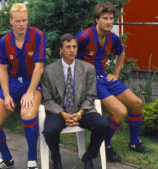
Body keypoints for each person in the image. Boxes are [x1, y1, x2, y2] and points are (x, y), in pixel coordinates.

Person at [75, 1, 152, 163]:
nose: (109, 22)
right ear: (97, 19)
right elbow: (68, 57)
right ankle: (106, 145)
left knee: (136, 103)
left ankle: (134, 142)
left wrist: (115, 74)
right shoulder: (83, 37)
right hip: (90, 82)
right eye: (105, 18)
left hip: (104, 77)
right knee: (120, 112)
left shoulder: (112, 38)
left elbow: (121, 54)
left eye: (111, 18)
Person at [0, 3, 46, 169]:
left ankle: (32, 159)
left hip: (32, 83)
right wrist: (7, 95)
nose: (21, 24)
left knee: (27, 113)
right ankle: (6, 158)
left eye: (24, 20)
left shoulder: (38, 36)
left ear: (28, 20)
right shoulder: (5, 41)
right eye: (18, 21)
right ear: (11, 20)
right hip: (12, 84)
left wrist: (30, 92)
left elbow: (39, 67)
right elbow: (3, 70)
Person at [41, 33, 109, 169]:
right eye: (68, 47)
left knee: (103, 125)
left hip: (83, 110)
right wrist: (63, 114)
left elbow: (91, 96)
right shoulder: (48, 71)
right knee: (49, 130)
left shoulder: (88, 69)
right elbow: (47, 100)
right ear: (61, 50)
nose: (71, 50)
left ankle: (88, 157)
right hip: (59, 111)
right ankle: (56, 159)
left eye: (74, 47)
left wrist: (79, 113)